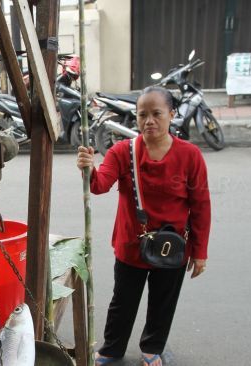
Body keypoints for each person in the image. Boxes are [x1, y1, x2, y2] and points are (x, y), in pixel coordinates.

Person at [76, 86, 211, 366]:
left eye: (156, 114)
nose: (149, 120)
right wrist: (89, 168)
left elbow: (201, 205)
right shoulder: (122, 151)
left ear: (171, 115)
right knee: (122, 302)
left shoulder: (190, 155)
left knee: (163, 303)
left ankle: (152, 349)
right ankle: (112, 349)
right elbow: (100, 185)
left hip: (172, 246)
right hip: (131, 245)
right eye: (142, 115)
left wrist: (200, 252)